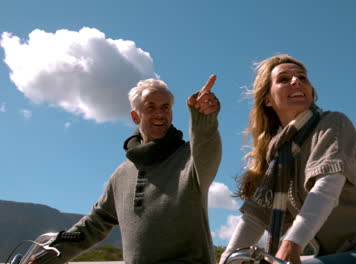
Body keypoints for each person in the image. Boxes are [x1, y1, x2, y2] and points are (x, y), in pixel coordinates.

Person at [219, 55, 356, 264]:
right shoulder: (277, 157)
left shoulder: (332, 124)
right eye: (284, 79)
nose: (296, 81)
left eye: (302, 77)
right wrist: (226, 259)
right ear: (268, 99)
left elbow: (327, 188)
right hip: (336, 256)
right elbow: (256, 217)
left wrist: (291, 243)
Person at [33, 75, 222, 264]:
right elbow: (94, 225)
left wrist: (204, 118)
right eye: (150, 107)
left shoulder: (190, 158)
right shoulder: (121, 175)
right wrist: (48, 257)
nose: (160, 114)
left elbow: (207, 148)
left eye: (165, 107)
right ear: (135, 116)